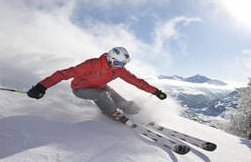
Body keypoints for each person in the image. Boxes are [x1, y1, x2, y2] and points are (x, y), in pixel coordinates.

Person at [27, 47, 167, 123]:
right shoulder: (91, 64)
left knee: (115, 96)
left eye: (123, 64)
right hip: (80, 89)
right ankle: (111, 113)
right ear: (110, 58)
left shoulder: (119, 71)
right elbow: (63, 74)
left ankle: (129, 109)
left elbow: (136, 81)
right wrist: (42, 86)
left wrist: (155, 91)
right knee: (102, 95)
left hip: (100, 86)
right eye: (118, 63)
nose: (120, 67)